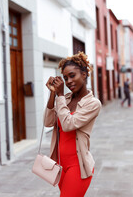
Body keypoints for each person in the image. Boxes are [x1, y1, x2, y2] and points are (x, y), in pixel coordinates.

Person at [44, 52, 102, 197]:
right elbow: (48, 122)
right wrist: (53, 94)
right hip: (61, 165)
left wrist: (60, 96)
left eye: (72, 75)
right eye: (65, 78)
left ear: (84, 74)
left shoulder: (93, 103)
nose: (68, 81)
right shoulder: (66, 99)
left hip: (78, 167)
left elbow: (69, 124)